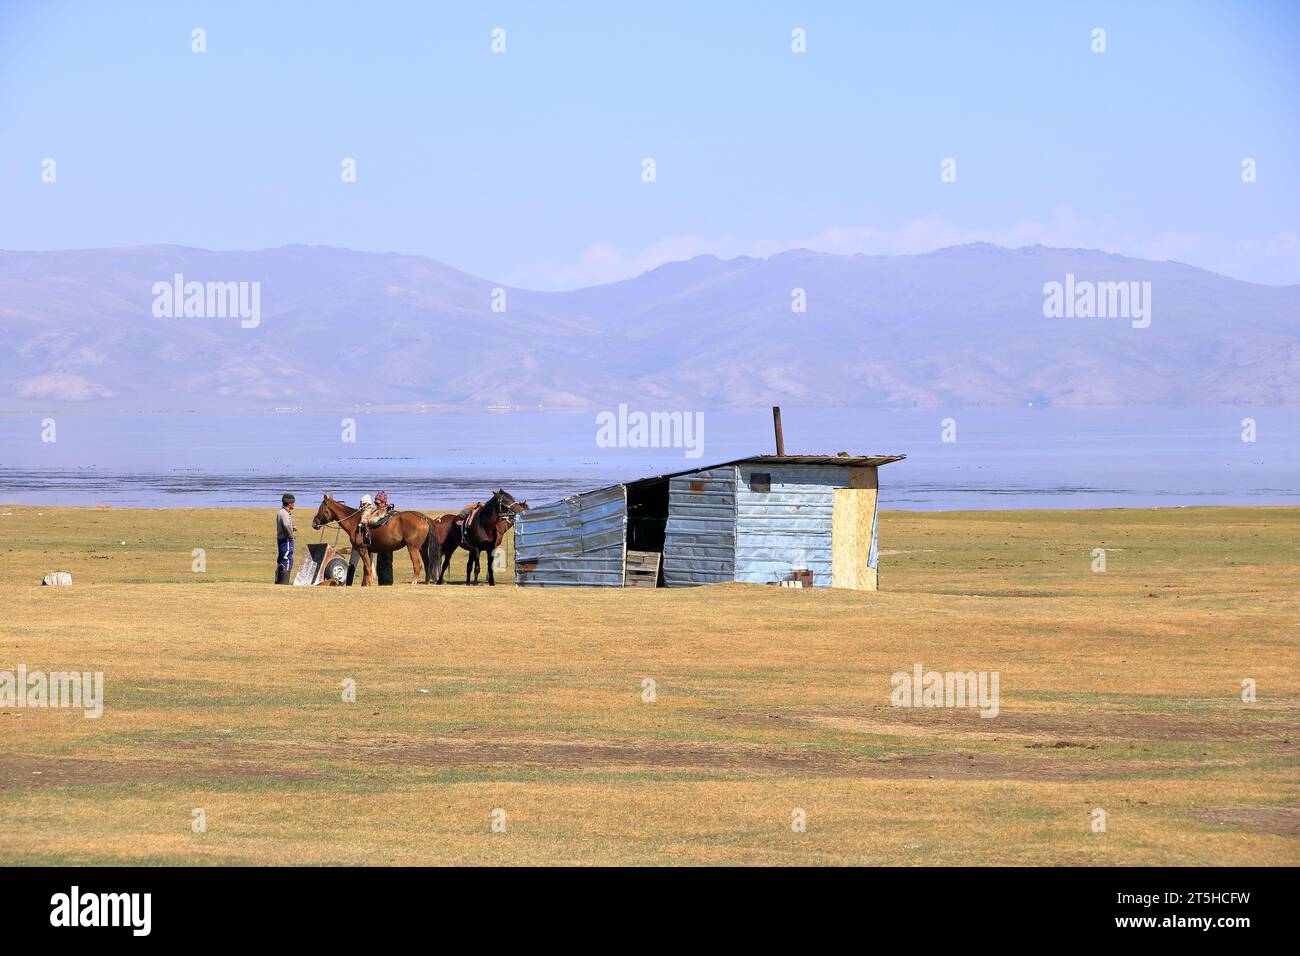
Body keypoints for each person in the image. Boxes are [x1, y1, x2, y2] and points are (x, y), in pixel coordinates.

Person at [275, 494, 296, 584]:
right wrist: (291, 535)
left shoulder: (280, 512)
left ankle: (279, 580)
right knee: (287, 558)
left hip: (281, 539)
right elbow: (286, 525)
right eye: (293, 503)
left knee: (281, 559)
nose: (294, 505)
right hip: (286, 539)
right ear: (289, 504)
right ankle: (284, 581)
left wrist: (292, 528)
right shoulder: (284, 513)